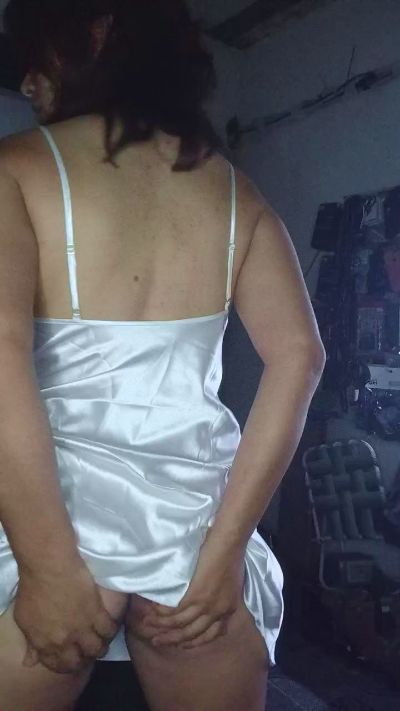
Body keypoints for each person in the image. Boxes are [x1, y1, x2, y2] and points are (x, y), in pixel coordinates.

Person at [0, 1, 326, 709]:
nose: (26, 81)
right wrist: (224, 553)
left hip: (46, 528)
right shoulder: (235, 191)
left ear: (99, 31)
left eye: (37, 53)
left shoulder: (15, 168)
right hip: (191, 534)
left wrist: (47, 565)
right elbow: (300, 356)